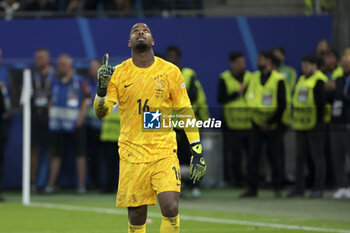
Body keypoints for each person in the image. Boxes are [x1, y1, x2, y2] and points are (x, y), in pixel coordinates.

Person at [94, 23, 206, 233]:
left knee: (171, 206)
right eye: (135, 32)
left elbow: (186, 112)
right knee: (137, 216)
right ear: (130, 42)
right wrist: (101, 89)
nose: (141, 33)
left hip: (163, 151)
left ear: (153, 40)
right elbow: (102, 112)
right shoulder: (118, 73)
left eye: (145, 31)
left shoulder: (170, 71)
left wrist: (197, 150)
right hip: (131, 154)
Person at [241, 51, 289, 198]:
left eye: (261, 59)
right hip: (255, 123)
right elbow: (248, 96)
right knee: (252, 157)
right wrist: (258, 121)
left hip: (273, 125)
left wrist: (269, 122)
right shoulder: (253, 77)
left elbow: (282, 104)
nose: (257, 61)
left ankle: (277, 188)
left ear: (268, 61)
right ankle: (252, 188)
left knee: (274, 156)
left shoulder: (278, 79)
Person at [165, 45, 209, 197]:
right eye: (169, 56)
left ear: (178, 57)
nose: (171, 59)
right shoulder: (163, 74)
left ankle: (195, 185)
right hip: (172, 125)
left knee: (190, 155)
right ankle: (179, 185)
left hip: (187, 123)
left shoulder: (188, 74)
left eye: (174, 56)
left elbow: (193, 96)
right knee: (174, 157)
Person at [44, 54, 90, 194]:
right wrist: (50, 115)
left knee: (80, 154)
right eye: (59, 64)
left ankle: (81, 185)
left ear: (70, 65)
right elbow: (49, 99)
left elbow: (86, 101)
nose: (60, 67)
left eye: (63, 64)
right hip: (57, 125)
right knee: (55, 154)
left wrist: (80, 119)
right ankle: (51, 185)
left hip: (75, 124)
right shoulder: (53, 81)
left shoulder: (80, 81)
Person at [288, 55, 327, 198]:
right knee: (300, 157)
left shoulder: (319, 80)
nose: (304, 68)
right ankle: (299, 188)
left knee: (317, 157)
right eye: (302, 65)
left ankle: (318, 188)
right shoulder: (302, 80)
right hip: (300, 124)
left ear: (314, 65)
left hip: (315, 124)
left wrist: (318, 122)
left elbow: (320, 103)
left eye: (306, 65)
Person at [217, 51, 252, 187]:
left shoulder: (250, 77)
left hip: (249, 123)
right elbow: (221, 98)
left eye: (243, 63)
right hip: (232, 124)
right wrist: (237, 93)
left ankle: (250, 180)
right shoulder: (224, 78)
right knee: (235, 155)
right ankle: (236, 181)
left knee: (251, 156)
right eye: (239, 63)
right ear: (232, 64)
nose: (242, 66)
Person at [30, 48, 55, 191]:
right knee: (33, 149)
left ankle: (49, 183)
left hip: (50, 117)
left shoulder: (55, 74)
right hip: (34, 116)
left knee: (52, 150)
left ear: (48, 58)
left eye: (41, 57)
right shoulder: (31, 74)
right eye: (37, 58)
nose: (38, 60)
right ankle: (32, 182)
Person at [327, 53, 350, 199]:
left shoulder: (341, 82)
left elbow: (345, 97)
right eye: (343, 63)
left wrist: (338, 90)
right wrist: (328, 90)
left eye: (346, 63)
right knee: (337, 156)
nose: (344, 66)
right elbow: (331, 98)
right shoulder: (338, 79)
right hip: (336, 122)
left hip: (348, 123)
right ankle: (342, 186)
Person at [85, 59, 103, 190]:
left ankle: (110, 184)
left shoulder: (109, 85)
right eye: (91, 67)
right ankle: (92, 183)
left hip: (106, 127)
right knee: (93, 156)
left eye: (95, 67)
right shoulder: (86, 84)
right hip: (91, 126)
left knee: (109, 157)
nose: (93, 70)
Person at [99, 105, 121, 193]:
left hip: (120, 138)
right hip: (107, 137)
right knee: (109, 165)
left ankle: (116, 186)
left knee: (119, 165)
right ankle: (109, 186)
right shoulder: (111, 101)